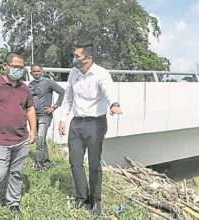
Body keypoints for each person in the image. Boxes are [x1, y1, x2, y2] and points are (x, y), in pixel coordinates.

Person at [58, 43, 122, 216]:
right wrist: (63, 119)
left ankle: (96, 200)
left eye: (77, 56)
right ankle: (81, 196)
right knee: (75, 162)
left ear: (88, 58)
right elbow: (68, 98)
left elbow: (109, 90)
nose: (74, 59)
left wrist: (114, 104)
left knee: (94, 164)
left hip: (95, 123)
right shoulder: (74, 73)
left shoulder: (101, 73)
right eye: (74, 55)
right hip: (76, 123)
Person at [0, 52, 36, 219]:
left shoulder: (24, 88)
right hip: (0, 139)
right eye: (15, 66)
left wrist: (33, 131)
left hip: (21, 139)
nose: (18, 70)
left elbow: (30, 109)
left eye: (21, 67)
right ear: (5, 66)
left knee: (16, 174)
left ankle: (13, 203)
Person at [29, 64, 65, 170]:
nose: (36, 73)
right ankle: (46, 162)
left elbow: (62, 92)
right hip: (33, 115)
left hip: (45, 115)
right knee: (41, 140)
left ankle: (38, 164)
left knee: (40, 138)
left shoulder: (48, 82)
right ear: (31, 73)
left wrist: (54, 107)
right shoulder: (30, 85)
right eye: (34, 71)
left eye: (38, 71)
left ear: (42, 71)